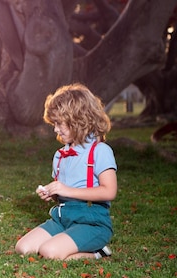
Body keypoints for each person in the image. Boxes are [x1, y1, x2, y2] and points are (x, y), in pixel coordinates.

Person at [15, 83, 117, 260]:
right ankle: (66, 242)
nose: (55, 129)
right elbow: (63, 193)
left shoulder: (99, 151)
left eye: (59, 124)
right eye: (54, 124)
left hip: (92, 223)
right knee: (23, 248)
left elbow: (109, 191)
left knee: (49, 252)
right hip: (63, 220)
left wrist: (65, 190)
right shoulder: (60, 155)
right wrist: (52, 193)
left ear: (79, 120)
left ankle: (98, 252)